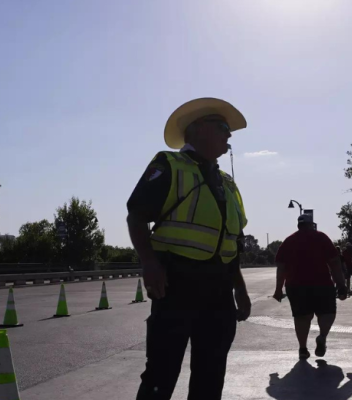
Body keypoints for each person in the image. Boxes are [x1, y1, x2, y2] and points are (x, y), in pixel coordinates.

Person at [128, 97, 252, 400]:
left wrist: (240, 288)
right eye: (223, 127)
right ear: (197, 130)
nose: (229, 136)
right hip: (177, 284)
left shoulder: (227, 183)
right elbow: (137, 215)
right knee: (161, 372)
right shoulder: (169, 165)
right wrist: (149, 263)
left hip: (219, 291)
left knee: (211, 375)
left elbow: (232, 241)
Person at [273, 214, 348, 359]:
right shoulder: (321, 238)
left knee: (301, 317)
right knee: (327, 313)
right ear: (311, 225)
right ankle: (322, 336)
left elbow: (281, 267)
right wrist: (341, 285)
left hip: (296, 286)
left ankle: (302, 348)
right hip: (322, 284)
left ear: (298, 225)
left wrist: (278, 290)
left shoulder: (289, 241)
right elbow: (334, 263)